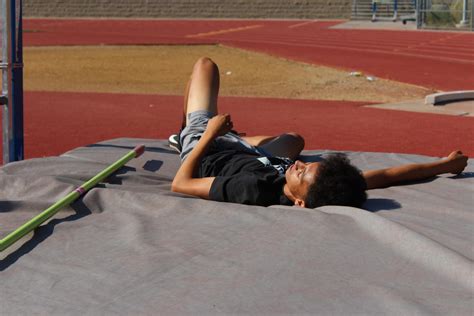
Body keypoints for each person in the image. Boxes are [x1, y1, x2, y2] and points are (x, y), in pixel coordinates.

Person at [170, 57, 468, 208]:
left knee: (205, 66)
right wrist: (445, 165)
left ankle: (183, 131)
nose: (299, 165)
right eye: (306, 165)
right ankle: (238, 138)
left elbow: (181, 184)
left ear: (299, 202)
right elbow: (391, 175)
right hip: (253, 154)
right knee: (295, 140)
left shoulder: (252, 188)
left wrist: (209, 134)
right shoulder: (329, 186)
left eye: (300, 173)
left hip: (208, 150)